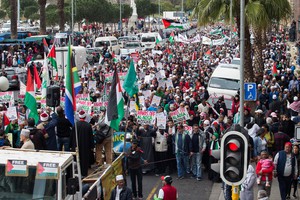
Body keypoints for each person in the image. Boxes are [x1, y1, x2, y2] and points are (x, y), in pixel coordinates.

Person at [70, 110, 94, 177]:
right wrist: (92, 146)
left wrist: (70, 145)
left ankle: (77, 172)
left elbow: (71, 136)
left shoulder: (76, 125)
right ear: (85, 117)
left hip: (76, 145)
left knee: (77, 159)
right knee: (84, 160)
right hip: (85, 146)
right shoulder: (88, 126)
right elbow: (91, 137)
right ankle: (84, 173)